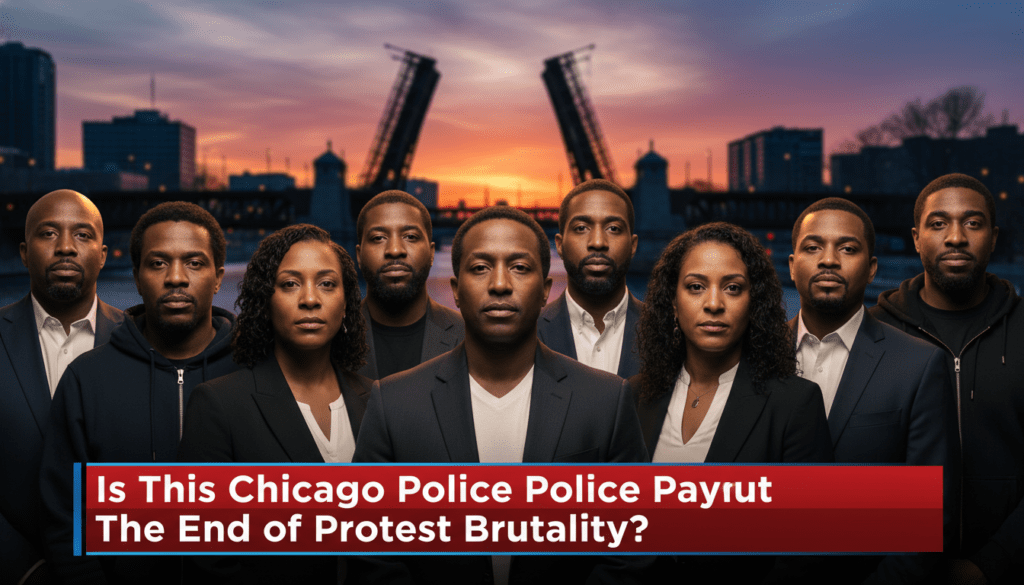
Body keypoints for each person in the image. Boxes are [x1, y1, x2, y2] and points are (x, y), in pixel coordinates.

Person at [351, 205, 650, 585]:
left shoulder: (607, 401)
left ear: (545, 291)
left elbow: (633, 546)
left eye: (520, 267)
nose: (500, 285)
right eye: (480, 268)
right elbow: (369, 550)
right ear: (456, 292)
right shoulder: (393, 403)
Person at [39, 201, 238, 584]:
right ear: (136, 276)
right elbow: (66, 522)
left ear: (217, 278)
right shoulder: (86, 379)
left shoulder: (259, 371)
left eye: (194, 263)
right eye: (158, 263)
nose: (176, 277)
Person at [630, 221, 832, 582]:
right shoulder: (633, 396)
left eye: (733, 288)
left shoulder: (794, 404)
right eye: (695, 287)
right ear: (672, 302)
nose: (713, 304)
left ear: (753, 303)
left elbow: (807, 551)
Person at [178, 224, 372, 583]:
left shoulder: (377, 401)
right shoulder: (219, 406)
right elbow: (208, 559)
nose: (310, 299)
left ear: (346, 302)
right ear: (266, 300)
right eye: (290, 284)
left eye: (327, 284)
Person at [789, 197, 957, 583]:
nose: (829, 260)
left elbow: (928, 519)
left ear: (871, 269)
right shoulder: (752, 360)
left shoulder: (919, 365)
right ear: (792, 266)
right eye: (813, 247)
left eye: (847, 248)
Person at [869, 174, 1024, 585]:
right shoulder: (870, 335)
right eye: (938, 224)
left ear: (993, 237)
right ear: (917, 238)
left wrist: (989, 565)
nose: (956, 237)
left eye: (972, 223)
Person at [1, 190, 123, 584]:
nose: (66, 247)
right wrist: (25, 570)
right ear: (23, 251)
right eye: (48, 234)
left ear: (103, 254)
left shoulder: (142, 339)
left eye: (83, 235)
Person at [538, 179, 643, 377]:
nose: (597, 242)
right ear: (559, 245)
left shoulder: (670, 335)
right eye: (581, 228)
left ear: (633, 246)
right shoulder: (526, 336)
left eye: (613, 228)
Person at [355, 190, 464, 379]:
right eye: (379, 238)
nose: (395, 250)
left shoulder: (469, 338)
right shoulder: (331, 338)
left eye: (411, 237)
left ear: (431, 254)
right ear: (358, 256)